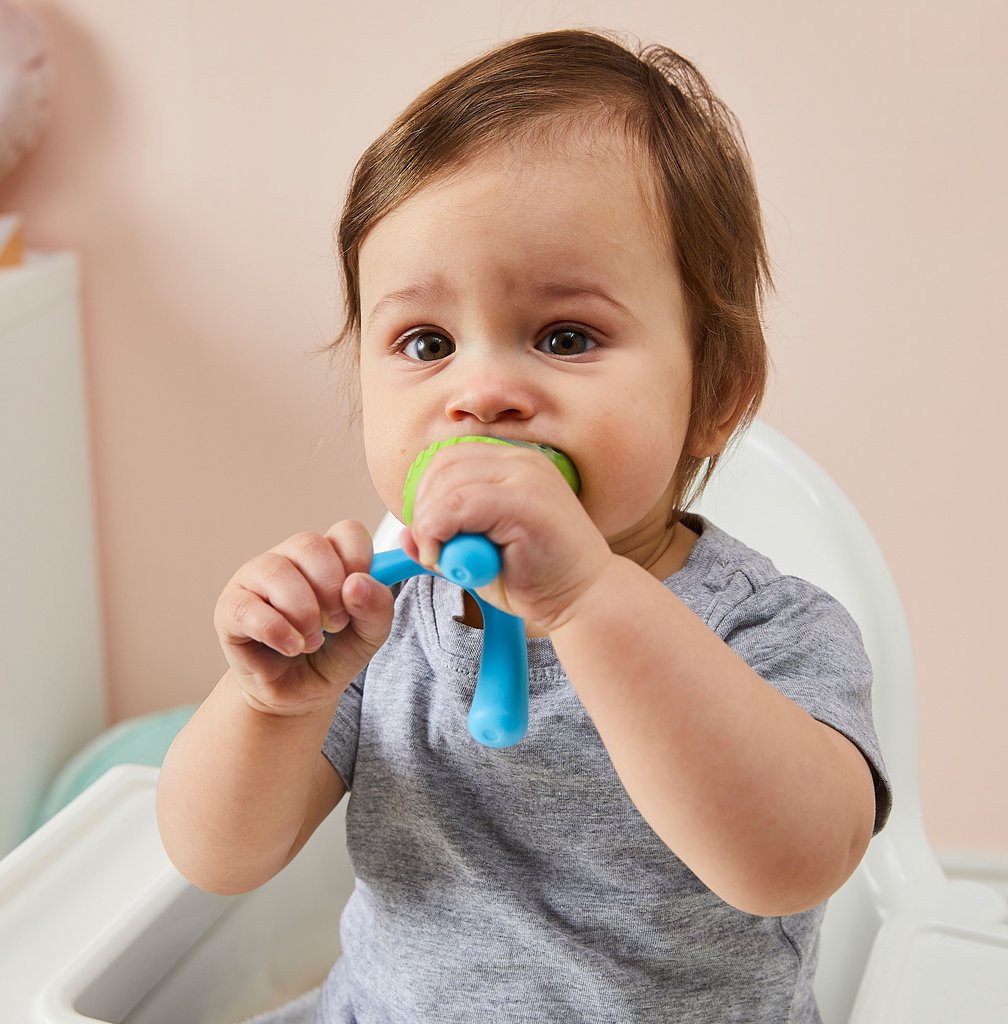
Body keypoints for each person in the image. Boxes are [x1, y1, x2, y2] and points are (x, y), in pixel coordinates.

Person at [157, 28, 891, 1024]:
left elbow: (795, 862)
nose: (481, 391)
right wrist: (271, 702)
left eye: (564, 335)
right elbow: (214, 858)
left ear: (716, 392)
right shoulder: (377, 616)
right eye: (427, 342)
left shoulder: (770, 630)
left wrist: (586, 599)